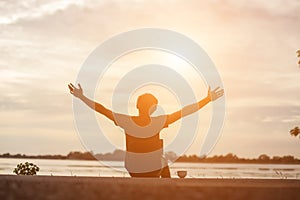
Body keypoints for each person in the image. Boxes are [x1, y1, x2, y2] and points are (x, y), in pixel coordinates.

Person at [68, 83, 224, 177]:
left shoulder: (126, 121)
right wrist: (207, 100)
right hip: (153, 169)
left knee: (159, 158)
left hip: (133, 170)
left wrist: (81, 97)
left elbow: (101, 109)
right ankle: (167, 188)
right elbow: (185, 111)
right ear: (154, 108)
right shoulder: (158, 122)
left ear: (137, 106)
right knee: (163, 159)